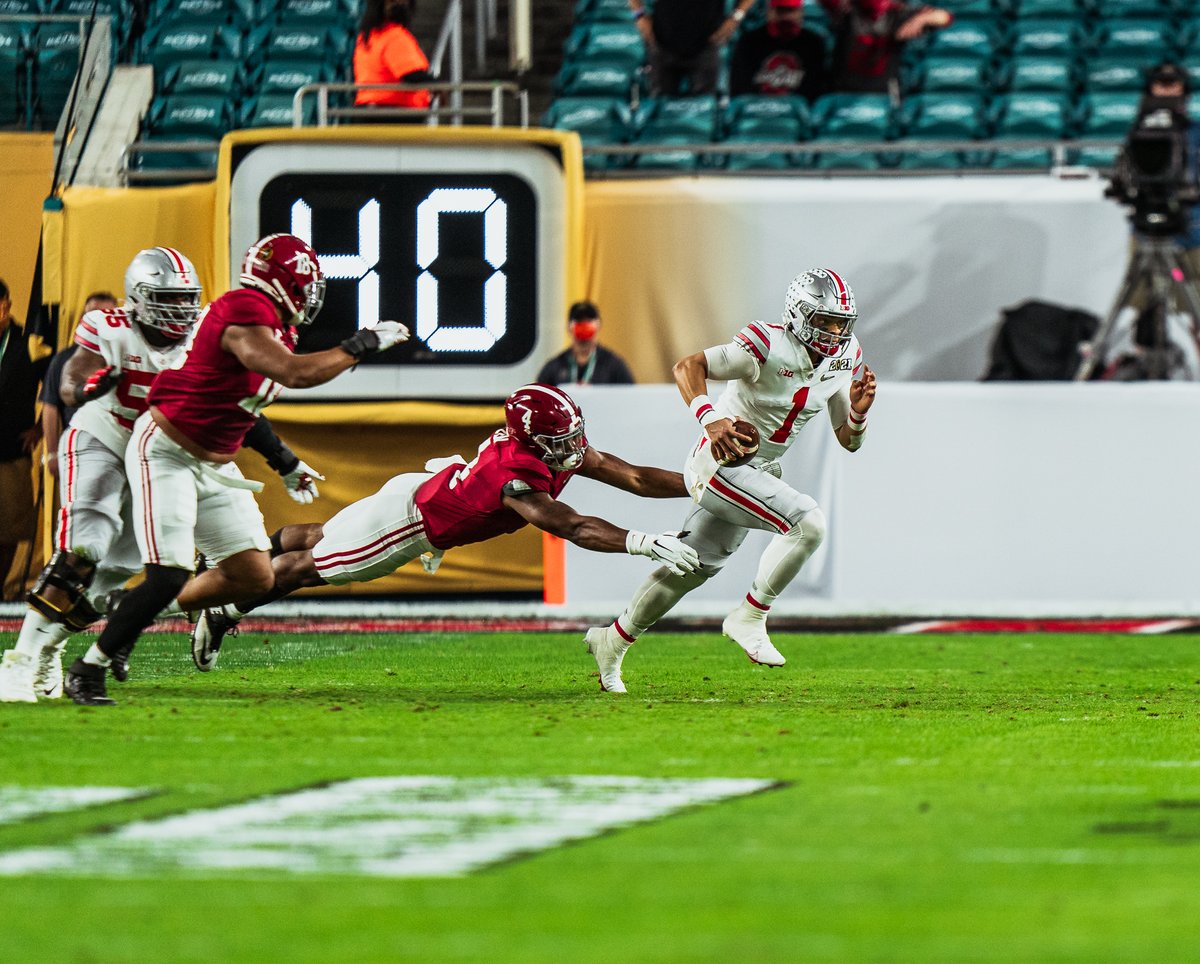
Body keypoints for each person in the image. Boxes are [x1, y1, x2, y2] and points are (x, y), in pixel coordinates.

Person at [61, 234, 410, 706]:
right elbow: (295, 374)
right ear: (282, 283)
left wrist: (285, 462)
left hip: (214, 462)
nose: (311, 296)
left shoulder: (276, 326)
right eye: (304, 284)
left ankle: (130, 609)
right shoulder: (243, 308)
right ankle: (89, 668)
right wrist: (359, 345)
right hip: (166, 452)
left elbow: (243, 407)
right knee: (168, 573)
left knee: (255, 577)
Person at [187, 383, 700, 680]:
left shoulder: (549, 446)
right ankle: (224, 603)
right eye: (559, 440)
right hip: (410, 524)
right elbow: (571, 525)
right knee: (310, 567)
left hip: (421, 488)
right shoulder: (515, 472)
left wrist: (700, 484)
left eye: (572, 436)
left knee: (326, 537)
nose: (572, 447)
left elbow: (631, 475)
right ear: (533, 439)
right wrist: (643, 541)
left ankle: (235, 560)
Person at [0, 251, 325, 704]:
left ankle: (52, 646)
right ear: (138, 298)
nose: (180, 309)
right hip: (106, 437)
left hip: (165, 454)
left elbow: (235, 408)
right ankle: (21, 658)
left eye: (186, 298)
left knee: (117, 571)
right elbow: (71, 377)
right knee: (86, 545)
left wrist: (284, 460)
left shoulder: (206, 334)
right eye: (167, 298)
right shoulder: (110, 326)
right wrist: (86, 387)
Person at [583, 268, 877, 694]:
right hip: (718, 464)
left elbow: (848, 442)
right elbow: (689, 366)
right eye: (824, 321)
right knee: (807, 523)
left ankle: (612, 640)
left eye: (840, 323)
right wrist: (711, 419)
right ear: (798, 314)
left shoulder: (844, 357)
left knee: (691, 567)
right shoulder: (766, 344)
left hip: (755, 470)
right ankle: (751, 615)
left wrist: (859, 413)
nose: (834, 332)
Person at [0, 278, 50, 600]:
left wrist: (40, 429)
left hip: (11, 450)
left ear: (7, 306)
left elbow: (56, 385)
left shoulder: (28, 343)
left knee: (7, 530)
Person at [39, 292, 118, 483]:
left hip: (119, 448)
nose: (99, 322)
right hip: (77, 450)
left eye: (106, 316)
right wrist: (52, 454)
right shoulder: (63, 359)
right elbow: (50, 407)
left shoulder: (127, 355)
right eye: (93, 316)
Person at [819, 0, 952, 98]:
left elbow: (945, 17)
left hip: (884, 93)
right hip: (844, 91)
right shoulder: (846, 11)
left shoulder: (897, 13)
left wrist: (920, 20)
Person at [630, 0, 757, 98]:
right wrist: (639, 15)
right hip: (662, 40)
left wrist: (736, 17)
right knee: (659, 115)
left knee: (705, 115)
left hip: (707, 42)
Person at [729, 0, 828, 100]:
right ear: (769, 13)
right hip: (757, 110)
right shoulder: (749, 42)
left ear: (800, 13)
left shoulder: (813, 44)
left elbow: (815, 89)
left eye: (790, 11)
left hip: (796, 112)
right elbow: (740, 88)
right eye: (780, 11)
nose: (786, 17)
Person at [353, 0, 432, 119]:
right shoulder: (395, 36)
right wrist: (437, 85)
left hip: (368, 111)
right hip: (392, 114)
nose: (400, 5)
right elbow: (410, 74)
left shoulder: (366, 37)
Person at [535, 301, 635, 386]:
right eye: (579, 321)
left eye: (588, 321)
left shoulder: (614, 366)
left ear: (598, 325)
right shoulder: (554, 367)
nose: (584, 325)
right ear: (569, 327)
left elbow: (629, 399)